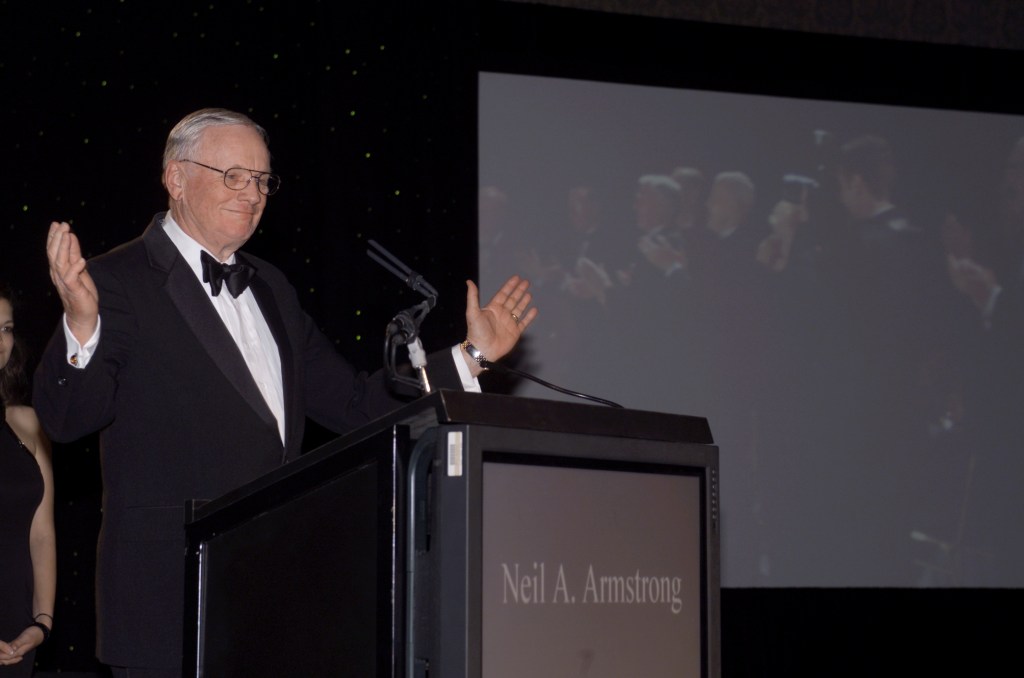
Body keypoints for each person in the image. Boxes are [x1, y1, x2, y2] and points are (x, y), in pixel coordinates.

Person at [33, 108, 537, 677]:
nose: (251, 194)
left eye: (262, 180)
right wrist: (80, 327)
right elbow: (67, 418)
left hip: (274, 600)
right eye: (233, 176)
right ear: (176, 178)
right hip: (168, 605)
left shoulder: (271, 286)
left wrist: (471, 357)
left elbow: (355, 405)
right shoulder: (114, 279)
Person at [0, 283, 56, 676]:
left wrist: (41, 623)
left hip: (16, 637)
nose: (0, 340)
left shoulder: (29, 423)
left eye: (5, 328)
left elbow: (42, 532)